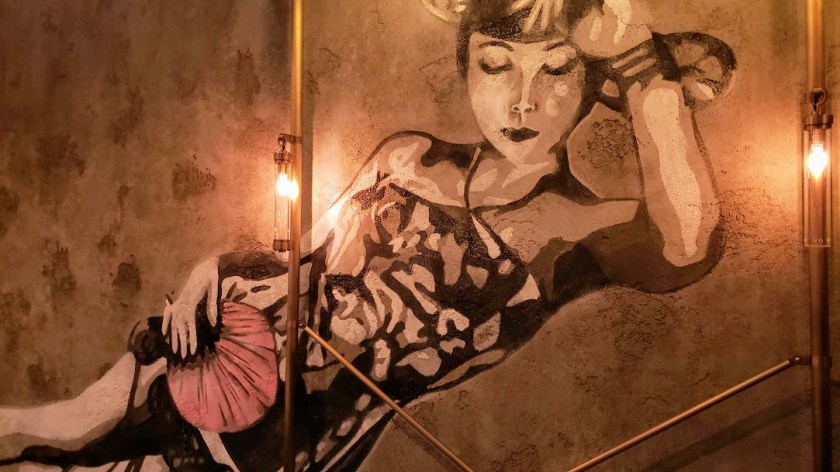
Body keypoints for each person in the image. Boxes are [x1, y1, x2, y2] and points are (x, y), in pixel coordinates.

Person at [0, 0, 735, 470]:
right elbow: (303, 260)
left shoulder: (571, 228)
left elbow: (688, 243)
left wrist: (641, 63)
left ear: (588, 83)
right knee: (45, 430)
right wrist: (208, 273)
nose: (523, 100)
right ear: (466, 69)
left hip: (288, 445)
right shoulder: (406, 156)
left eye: (556, 72)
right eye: (495, 66)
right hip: (216, 349)